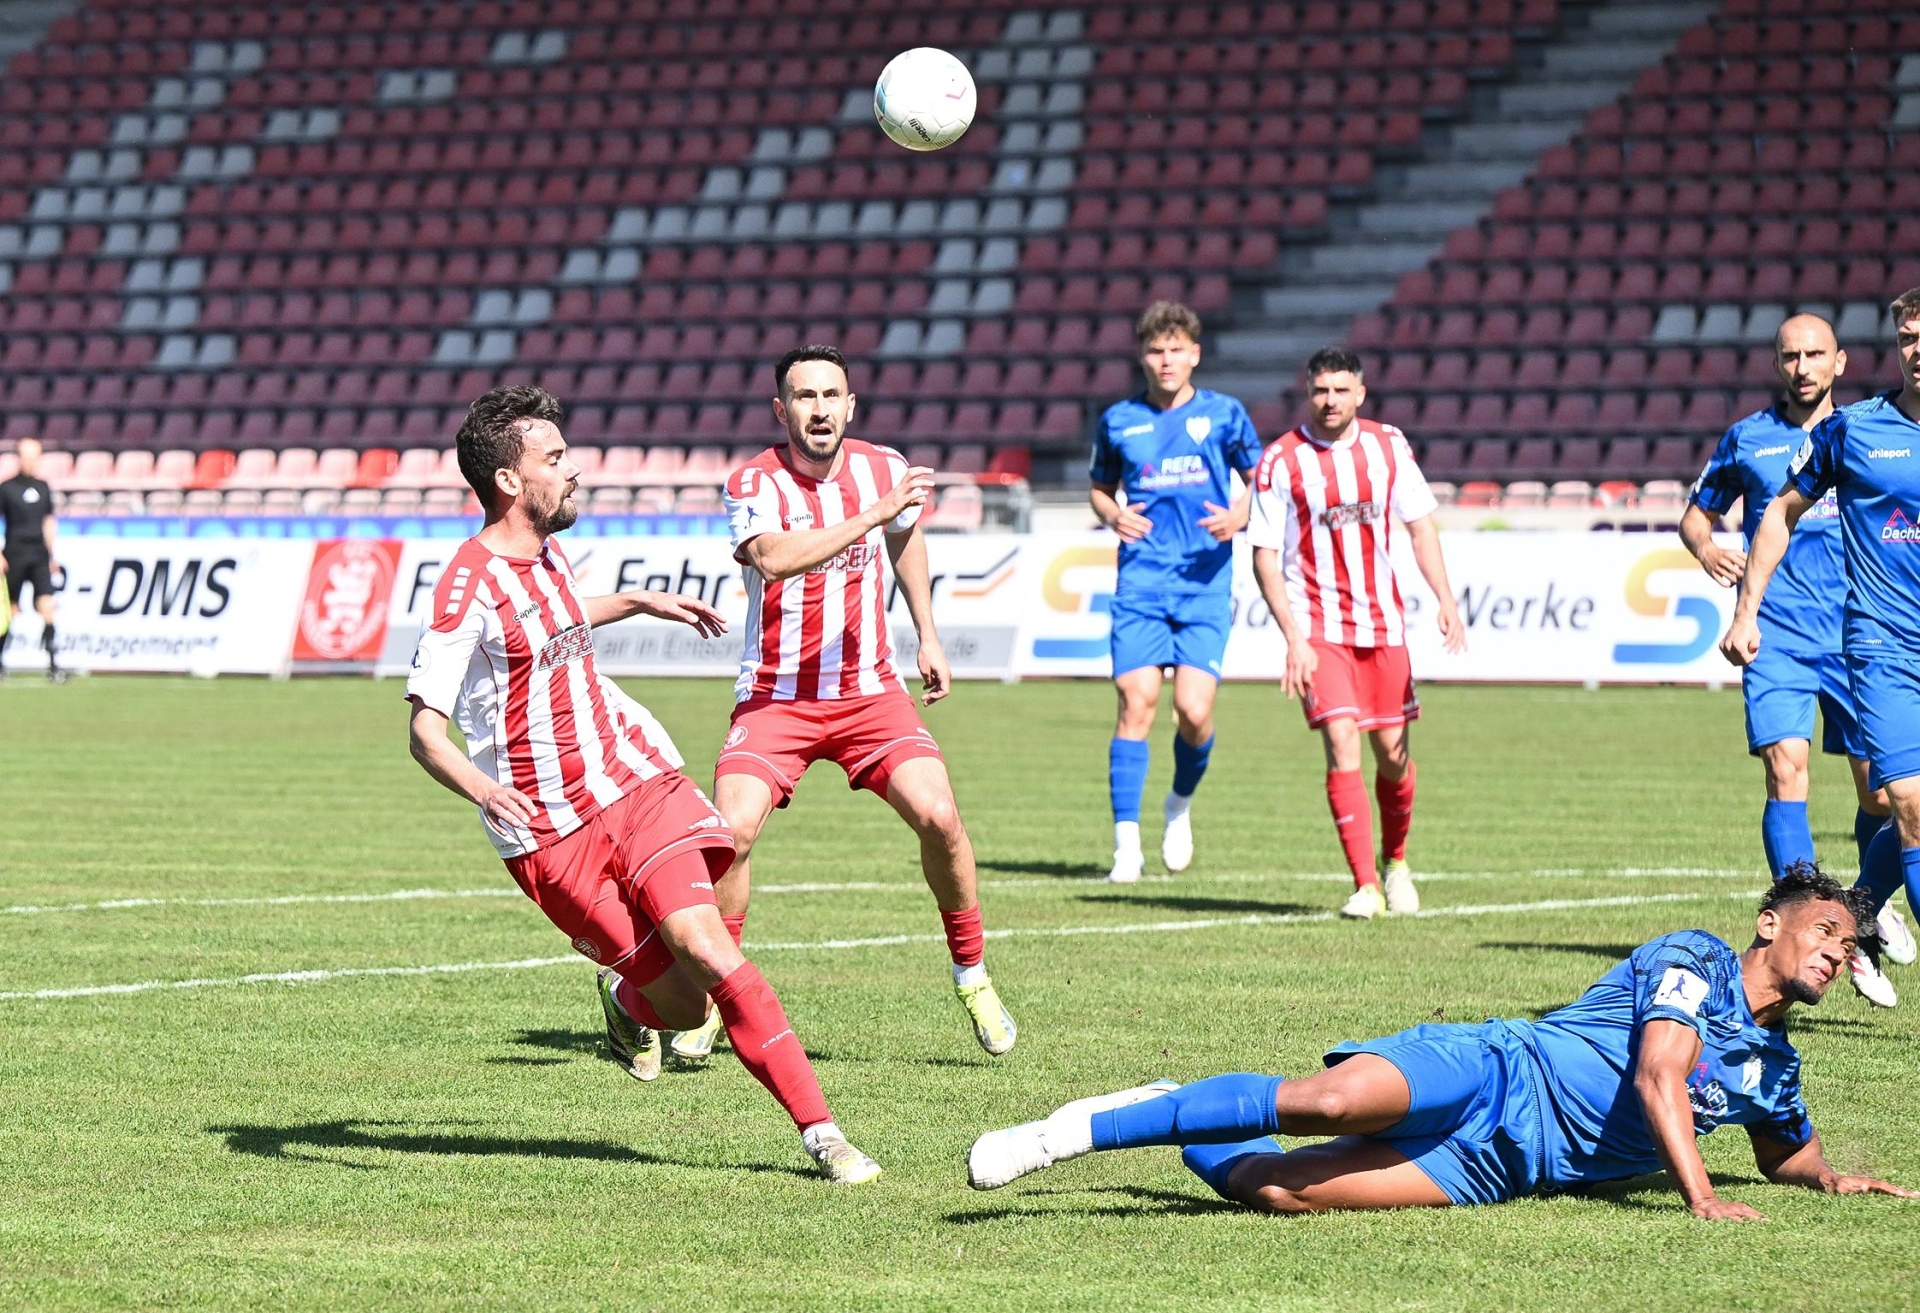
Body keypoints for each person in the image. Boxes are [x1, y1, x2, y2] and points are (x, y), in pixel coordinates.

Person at [405, 384, 880, 1183]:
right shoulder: (466, 584)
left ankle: (823, 1134)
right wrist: (484, 790)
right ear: (511, 480)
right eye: (555, 458)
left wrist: (633, 600)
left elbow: (553, 615)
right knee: (684, 1004)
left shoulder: (547, 551)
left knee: (708, 948)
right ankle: (626, 1002)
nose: (574, 470)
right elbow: (424, 730)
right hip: (550, 831)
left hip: (633, 780)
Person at [968, 868, 1914, 1219]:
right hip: (1498, 1068)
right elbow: (1660, 1073)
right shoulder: (1694, 957)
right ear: (1769, 924)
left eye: (1850, 946)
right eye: (1826, 929)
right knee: (1327, 1100)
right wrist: (1700, 1196)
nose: (1839, 950)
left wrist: (1831, 1178)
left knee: (1281, 1189)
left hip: (1507, 1165)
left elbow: (1783, 1149)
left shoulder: (1776, 1067)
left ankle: (1172, 1105)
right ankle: (1068, 1134)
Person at [659, 343, 1014, 1067]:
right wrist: (875, 515)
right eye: (804, 396)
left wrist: (928, 634)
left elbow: (904, 538)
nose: (818, 409)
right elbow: (774, 558)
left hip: (870, 693)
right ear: (781, 409)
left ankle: (972, 972)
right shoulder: (753, 481)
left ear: (851, 405)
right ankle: (718, 998)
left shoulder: (884, 468)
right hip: (776, 697)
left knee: (940, 815)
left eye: (830, 395)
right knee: (729, 834)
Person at [1683, 313, 1910, 1004]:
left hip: (1852, 631)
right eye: (1790, 355)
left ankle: (1864, 906)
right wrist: (1708, 550)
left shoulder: (1862, 434)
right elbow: (1699, 515)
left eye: (1815, 354)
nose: (1802, 366)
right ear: (1777, 363)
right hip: (1783, 634)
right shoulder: (1749, 438)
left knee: (1881, 795)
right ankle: (1816, 929)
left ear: (1840, 362)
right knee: (1787, 771)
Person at [1247, 347, 1466, 919]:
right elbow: (1264, 554)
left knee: (1392, 756)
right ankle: (1366, 886)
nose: (1330, 401)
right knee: (1342, 741)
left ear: (1360, 394)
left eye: (1341, 390)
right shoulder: (1280, 460)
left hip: (1383, 625)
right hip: (1318, 625)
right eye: (1321, 390)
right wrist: (1293, 637)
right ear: (1308, 392)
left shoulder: (1388, 446)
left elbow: (1421, 528)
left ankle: (1397, 862)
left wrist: (1445, 599)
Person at [1090, 302, 1264, 884]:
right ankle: (1126, 848)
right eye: (1156, 350)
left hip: (1204, 583)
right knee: (1135, 702)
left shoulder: (1225, 414)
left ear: (1195, 355)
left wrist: (1240, 515)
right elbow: (1099, 487)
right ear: (1143, 357)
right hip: (1141, 581)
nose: (1166, 360)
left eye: (1176, 350)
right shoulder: (1118, 420)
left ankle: (1179, 805)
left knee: (1193, 710)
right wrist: (1113, 514)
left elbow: (1263, 481)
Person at [0, 436, 67, 683]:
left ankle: (54, 665)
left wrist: (51, 555)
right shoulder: (6, 488)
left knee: (47, 606)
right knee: (9, 610)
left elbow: (48, 520)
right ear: (18, 458)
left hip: (39, 554)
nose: (29, 462)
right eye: (26, 457)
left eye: (34, 457)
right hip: (14, 554)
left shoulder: (43, 487)